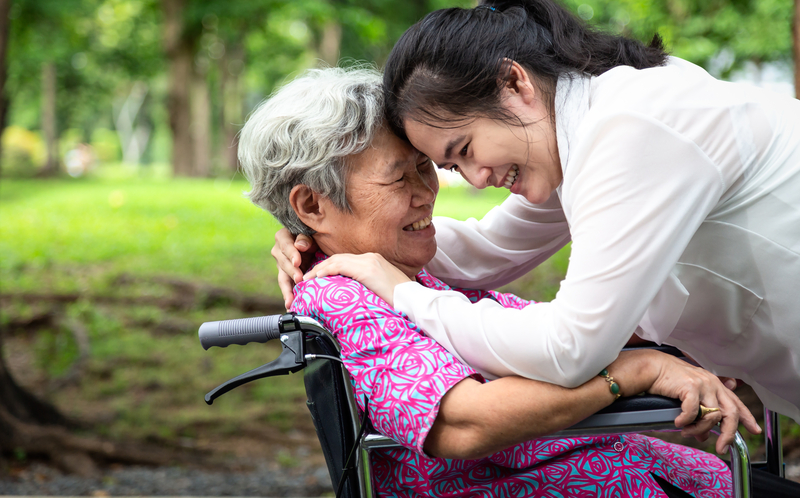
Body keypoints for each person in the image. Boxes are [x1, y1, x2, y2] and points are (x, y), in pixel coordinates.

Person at [236, 66, 798, 498]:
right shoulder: (343, 296)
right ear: (312, 204)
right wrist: (631, 374)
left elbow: (529, 318)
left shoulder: (407, 274)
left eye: (426, 166)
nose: (426, 191)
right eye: (398, 176)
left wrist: (663, 357)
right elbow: (462, 423)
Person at [283, 0, 800, 425]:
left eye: (464, 150)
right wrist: (327, 239)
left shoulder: (633, 128)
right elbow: (485, 251)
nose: (477, 179)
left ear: (514, 84)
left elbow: (569, 348)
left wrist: (402, 294)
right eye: (455, 168)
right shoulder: (577, 133)